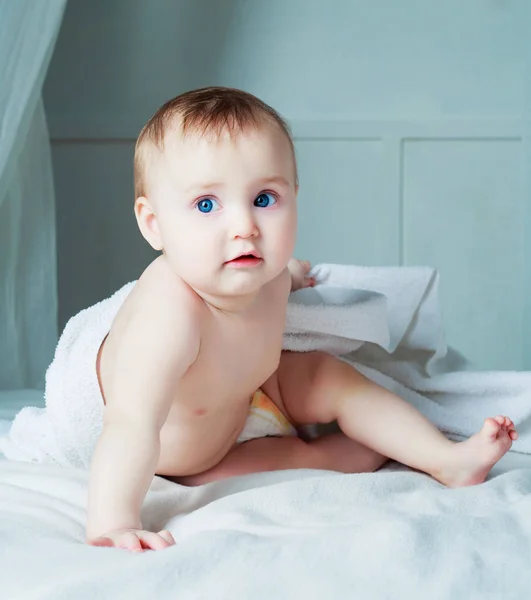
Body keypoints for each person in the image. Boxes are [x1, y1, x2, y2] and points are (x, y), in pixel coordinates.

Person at [87, 87, 517, 552]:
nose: (245, 226)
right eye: (207, 205)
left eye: (265, 198)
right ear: (154, 224)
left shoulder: (268, 274)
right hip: (193, 456)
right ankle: (365, 450)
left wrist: (291, 274)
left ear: (295, 196)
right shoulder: (167, 317)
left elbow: (283, 276)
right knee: (299, 457)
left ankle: (446, 459)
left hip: (250, 391)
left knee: (328, 376)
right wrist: (114, 522)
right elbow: (130, 423)